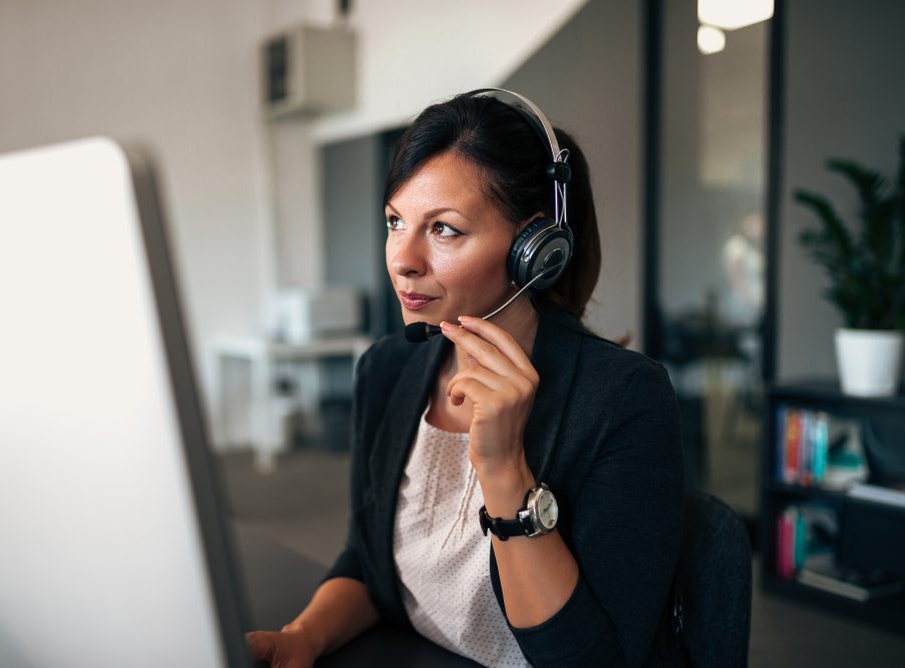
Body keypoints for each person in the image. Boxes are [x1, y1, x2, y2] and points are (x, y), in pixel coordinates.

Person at [247, 90, 685, 667]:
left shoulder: (622, 400)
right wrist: (303, 636)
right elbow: (369, 562)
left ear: (535, 249)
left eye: (444, 229)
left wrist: (504, 470)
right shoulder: (386, 369)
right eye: (396, 221)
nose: (402, 259)